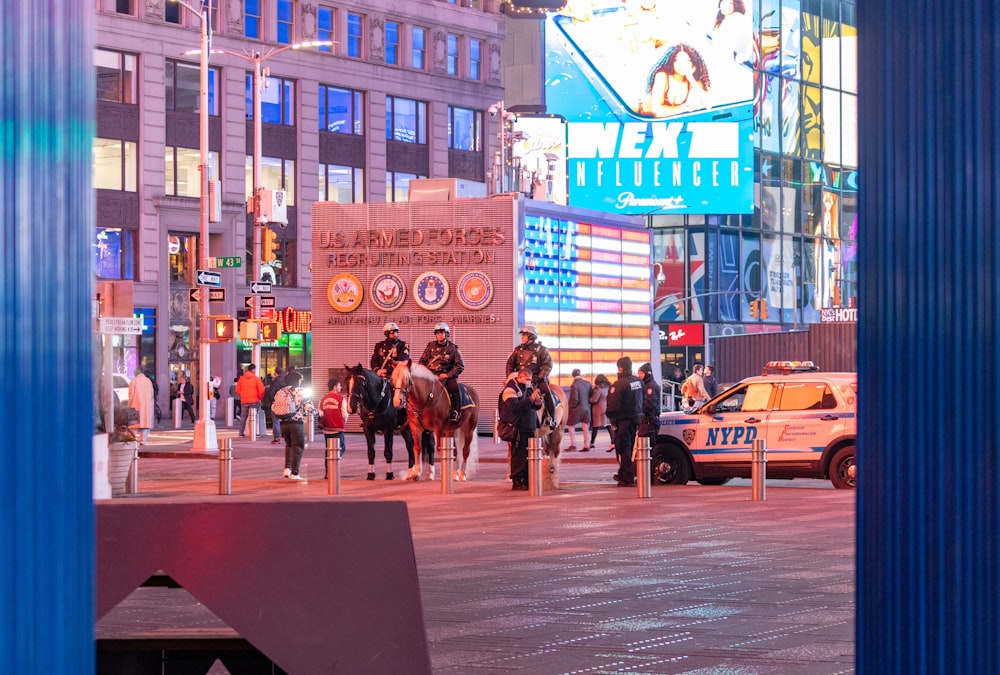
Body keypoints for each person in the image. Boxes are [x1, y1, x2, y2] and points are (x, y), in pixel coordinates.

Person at [640, 43, 711, 118]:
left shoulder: (694, 83)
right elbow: (657, 112)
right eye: (676, 60)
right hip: (640, 116)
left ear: (693, 62)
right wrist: (686, 108)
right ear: (671, 62)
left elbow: (708, 105)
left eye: (688, 60)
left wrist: (690, 78)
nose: (682, 64)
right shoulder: (662, 76)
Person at [505, 325, 556, 428]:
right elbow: (510, 364)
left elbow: (548, 365)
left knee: (547, 394)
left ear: (531, 337)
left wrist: (538, 377)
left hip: (536, 379)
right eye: (522, 335)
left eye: (524, 335)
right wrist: (510, 377)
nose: (522, 337)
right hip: (520, 379)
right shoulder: (517, 350)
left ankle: (551, 419)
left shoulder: (541, 350)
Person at [500, 368, 543, 490]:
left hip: (529, 426)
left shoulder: (529, 388)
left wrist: (538, 402)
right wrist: (530, 399)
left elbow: (533, 406)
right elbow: (514, 406)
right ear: (520, 377)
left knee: (528, 455)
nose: (529, 382)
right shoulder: (510, 389)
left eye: (530, 379)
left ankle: (528, 480)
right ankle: (518, 481)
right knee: (518, 455)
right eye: (527, 379)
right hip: (518, 427)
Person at [606, 356, 644, 487]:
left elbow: (612, 405)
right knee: (629, 445)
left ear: (620, 368)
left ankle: (627, 477)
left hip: (623, 420)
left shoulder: (618, 384)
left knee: (623, 447)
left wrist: (612, 418)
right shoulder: (638, 381)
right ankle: (623, 473)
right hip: (636, 418)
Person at [419, 322, 465, 423]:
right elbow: (422, 361)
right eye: (437, 333)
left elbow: (460, 366)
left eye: (442, 332)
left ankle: (456, 411)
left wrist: (448, 375)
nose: (439, 335)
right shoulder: (430, 346)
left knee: (454, 388)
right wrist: (425, 373)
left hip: (445, 376)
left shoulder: (453, 348)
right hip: (431, 375)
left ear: (446, 334)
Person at [276, 370, 313, 480]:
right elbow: (309, 407)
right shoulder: (300, 391)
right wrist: (318, 413)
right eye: (300, 380)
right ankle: (295, 473)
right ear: (297, 380)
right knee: (298, 446)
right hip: (296, 423)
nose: (301, 382)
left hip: (283, 422)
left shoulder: (281, 391)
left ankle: (287, 469)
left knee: (289, 445)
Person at [318, 377, 348, 478]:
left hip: (327, 429)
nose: (340, 387)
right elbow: (344, 414)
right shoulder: (341, 399)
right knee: (341, 447)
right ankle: (333, 466)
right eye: (339, 385)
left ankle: (327, 472)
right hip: (338, 428)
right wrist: (343, 421)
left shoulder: (323, 399)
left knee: (328, 450)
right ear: (335, 387)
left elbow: (320, 414)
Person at [712, 0, 755, 66]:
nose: (725, 5)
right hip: (715, 59)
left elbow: (753, 36)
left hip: (724, 62)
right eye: (723, 1)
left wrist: (745, 56)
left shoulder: (737, 16)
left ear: (736, 5)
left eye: (730, 3)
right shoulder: (721, 17)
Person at [565, 368, 592, 451]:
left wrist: (571, 407)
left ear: (573, 376)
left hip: (577, 408)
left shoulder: (574, 385)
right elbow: (591, 395)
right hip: (587, 408)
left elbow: (574, 398)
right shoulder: (588, 383)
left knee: (570, 425)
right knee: (585, 427)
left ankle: (573, 445)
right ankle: (587, 445)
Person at [235, 364, 265, 437]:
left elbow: (237, 389)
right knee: (254, 416)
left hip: (244, 400)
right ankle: (255, 432)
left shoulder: (241, 379)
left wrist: (242, 395)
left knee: (243, 417)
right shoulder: (256, 379)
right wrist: (259, 397)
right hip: (254, 400)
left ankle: (241, 432)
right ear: (254, 369)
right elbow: (261, 390)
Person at [127, 366, 155, 444]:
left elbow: (131, 395)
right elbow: (152, 394)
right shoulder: (148, 381)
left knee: (134, 424)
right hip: (146, 405)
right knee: (145, 424)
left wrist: (129, 405)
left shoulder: (133, 381)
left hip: (135, 405)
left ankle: (133, 439)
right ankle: (143, 440)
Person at [589, 374, 615, 452]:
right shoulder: (608, 388)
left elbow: (594, 400)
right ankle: (613, 442)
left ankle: (592, 443)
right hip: (606, 407)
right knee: (608, 426)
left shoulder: (598, 389)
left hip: (598, 409)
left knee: (595, 427)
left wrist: (588, 399)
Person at [637, 363, 661, 442]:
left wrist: (641, 411)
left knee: (648, 445)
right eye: (639, 373)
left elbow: (650, 404)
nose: (639, 375)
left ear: (647, 373)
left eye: (641, 373)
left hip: (649, 421)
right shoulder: (646, 384)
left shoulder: (650, 386)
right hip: (648, 421)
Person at [264, 368, 286, 444]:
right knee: (284, 420)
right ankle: (285, 436)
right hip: (284, 403)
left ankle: (276, 438)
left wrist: (273, 401)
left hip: (276, 403)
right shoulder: (285, 382)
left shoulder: (275, 382)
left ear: (276, 373)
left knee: (276, 421)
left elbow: (271, 394)